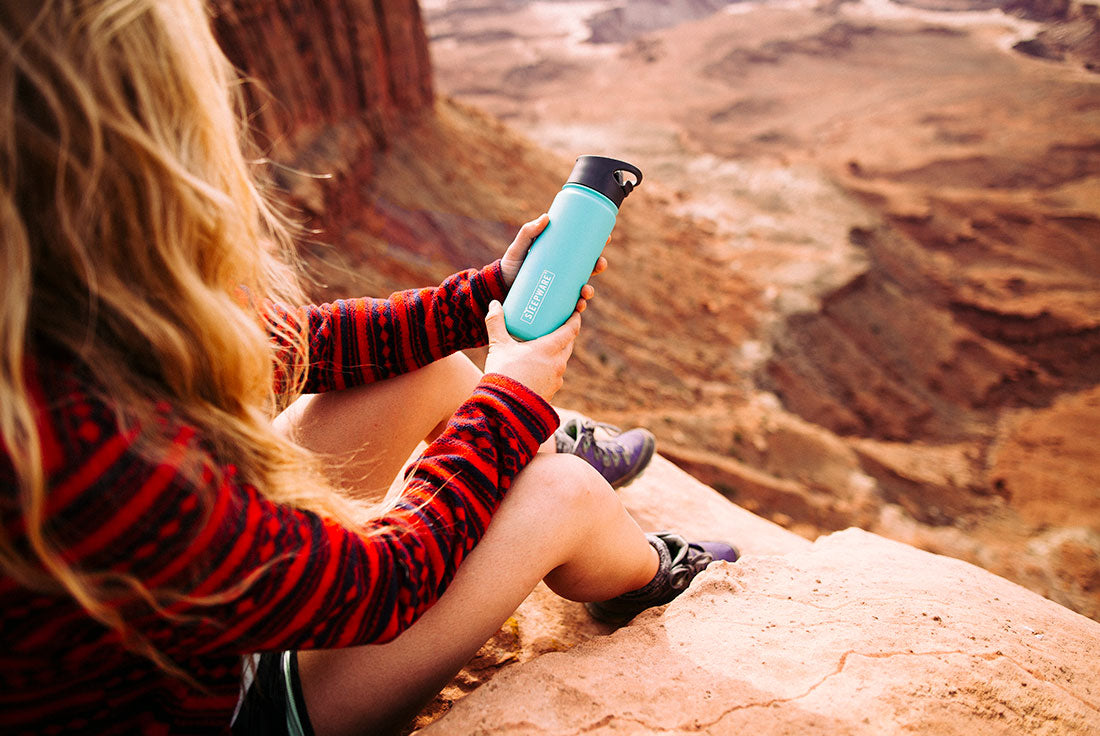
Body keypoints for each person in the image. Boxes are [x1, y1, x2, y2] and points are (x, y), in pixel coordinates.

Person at [0, 2, 739, 734]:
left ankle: (535, 451)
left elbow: (302, 344)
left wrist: (485, 295)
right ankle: (635, 568)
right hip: (223, 711)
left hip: (206, 624)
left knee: (427, 368)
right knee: (562, 494)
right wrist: (512, 399)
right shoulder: (78, 446)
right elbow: (385, 584)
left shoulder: (55, 306)